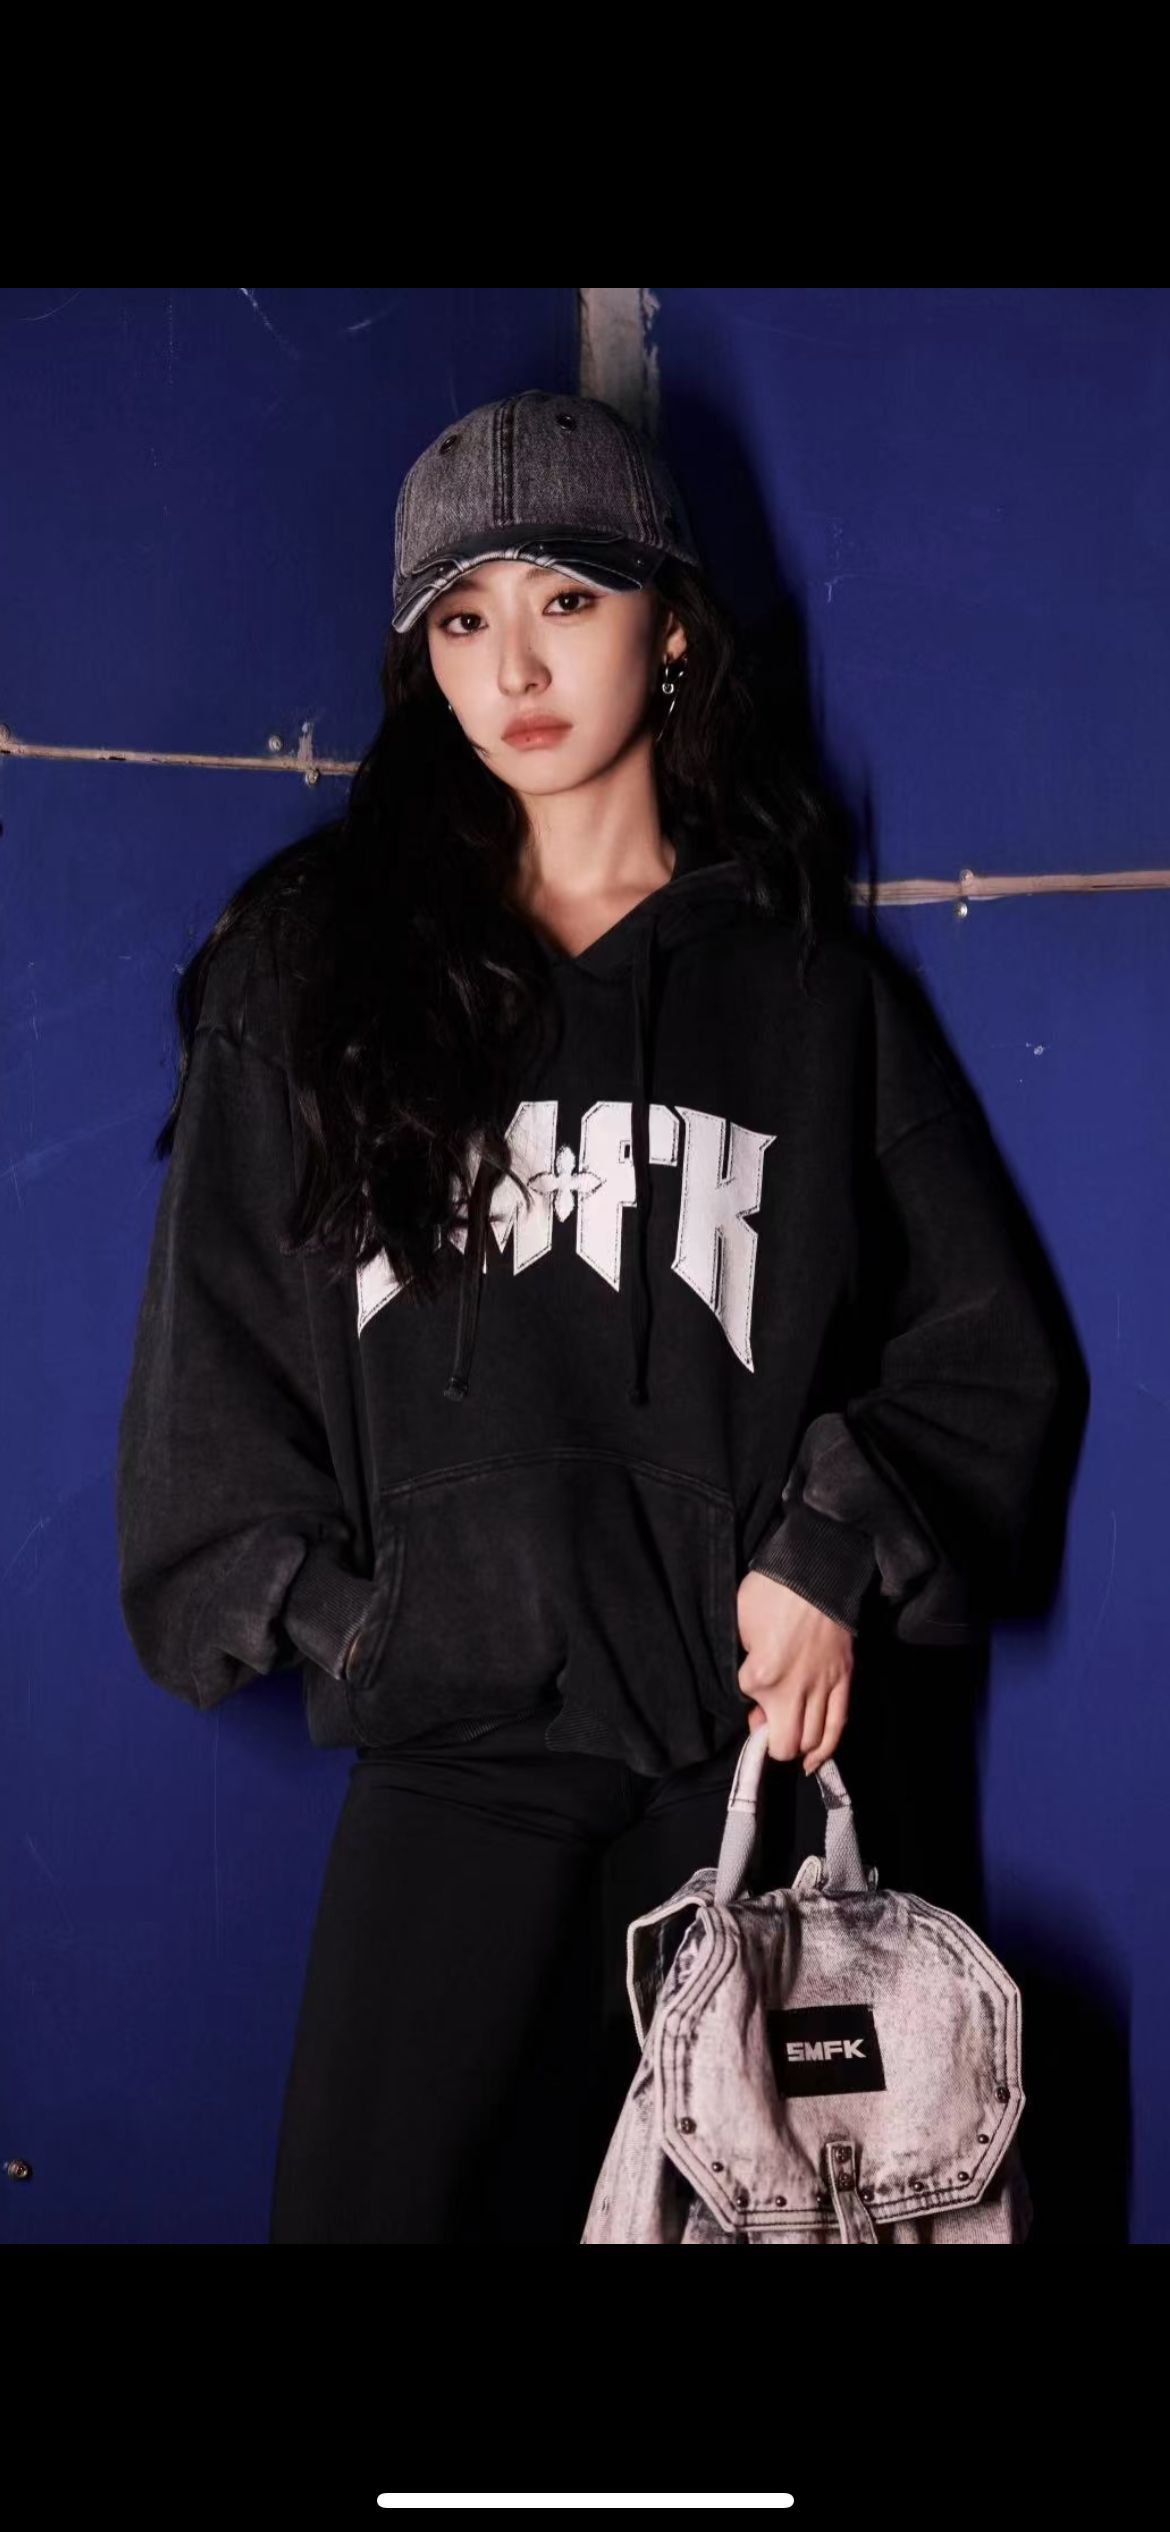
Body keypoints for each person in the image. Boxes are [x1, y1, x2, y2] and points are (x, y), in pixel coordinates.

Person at [115, 388, 1063, 2243]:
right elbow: (203, 1370)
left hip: (742, 1759)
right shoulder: (314, 978)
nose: (514, 667)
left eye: (566, 597)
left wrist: (828, 1546)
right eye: (461, 619)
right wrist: (356, 1623)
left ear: (672, 624)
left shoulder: (804, 998)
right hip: (458, 1744)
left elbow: (986, 1351)